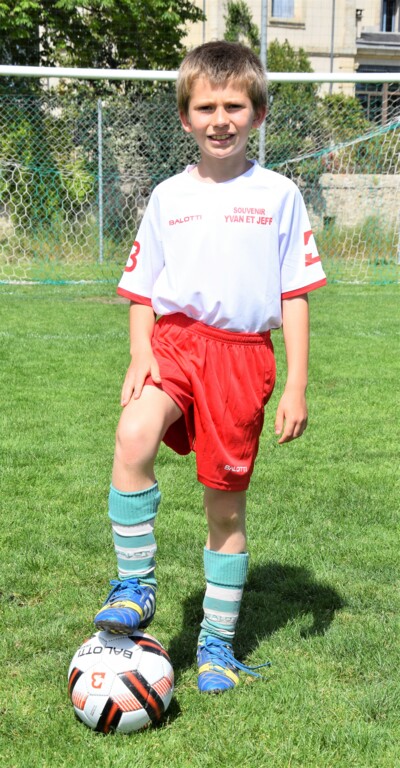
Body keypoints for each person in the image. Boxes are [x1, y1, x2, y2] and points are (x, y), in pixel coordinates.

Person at [93, 40, 327, 694]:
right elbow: (143, 289)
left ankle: (217, 645)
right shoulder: (168, 196)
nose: (220, 119)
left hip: (241, 357)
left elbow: (295, 294)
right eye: (206, 107)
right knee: (133, 435)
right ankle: (135, 585)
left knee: (224, 512)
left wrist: (296, 385)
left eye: (234, 106)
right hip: (173, 342)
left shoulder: (279, 195)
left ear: (258, 114)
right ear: (185, 117)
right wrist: (141, 351)